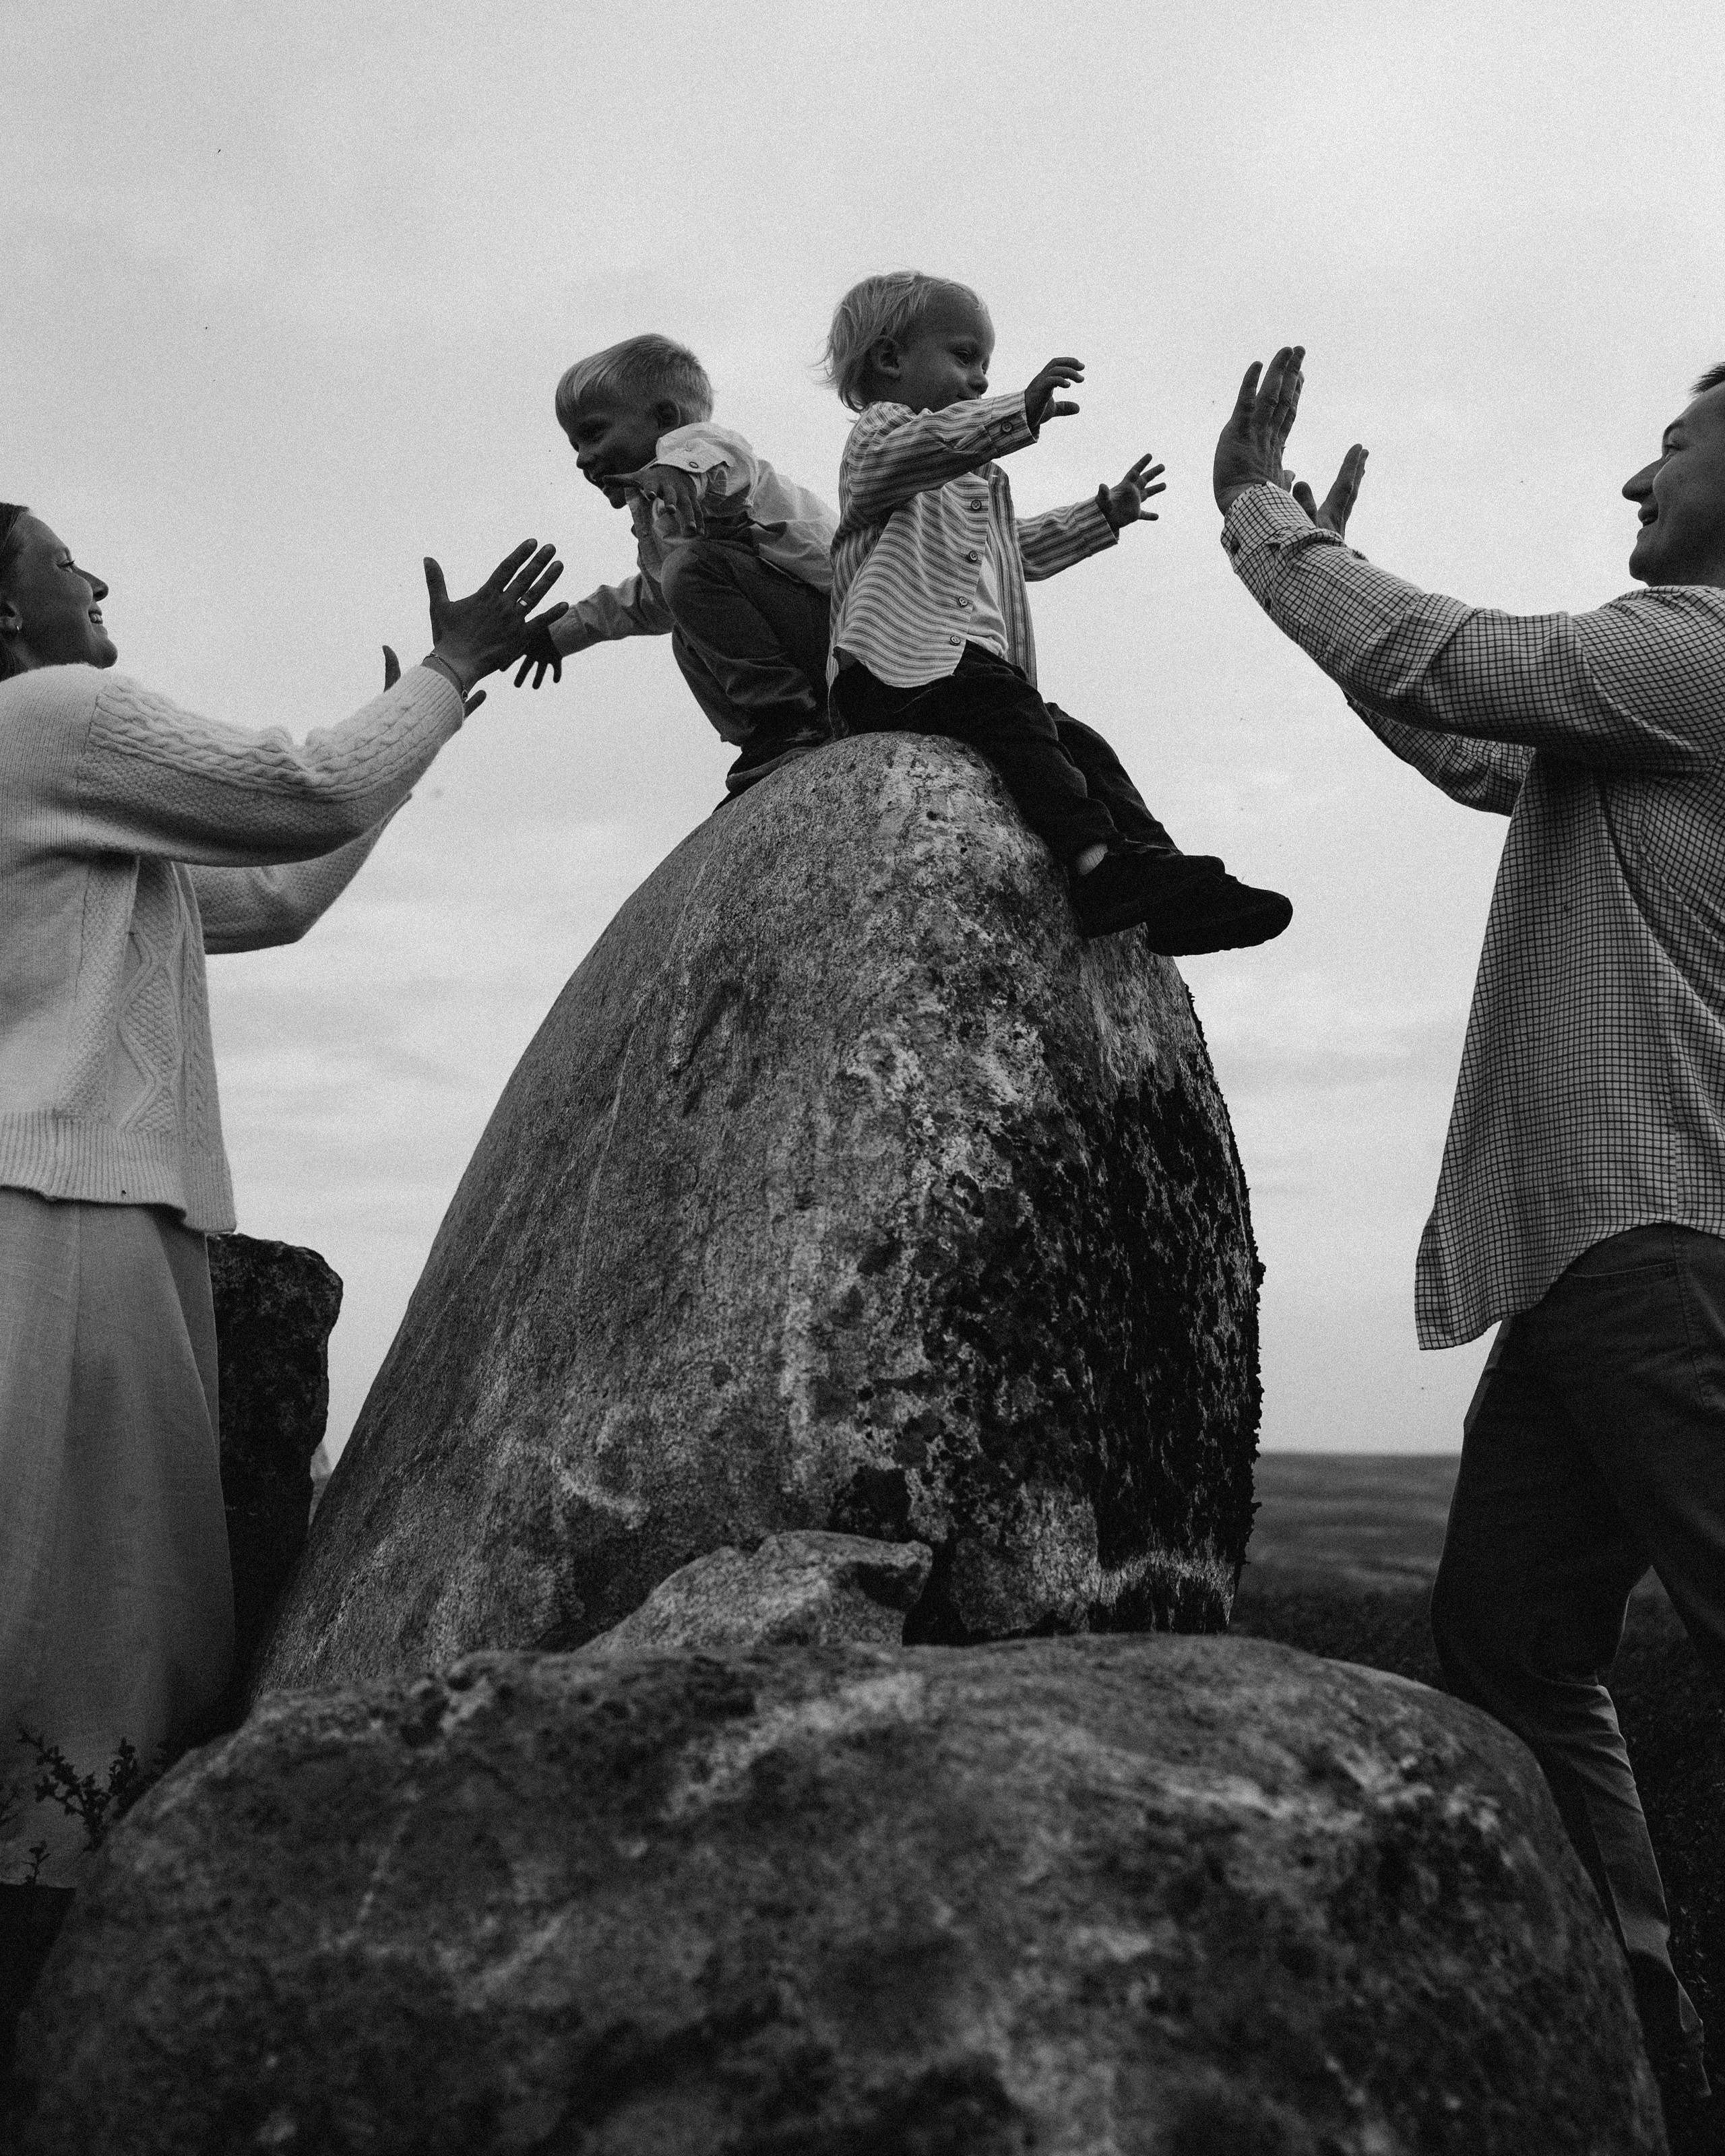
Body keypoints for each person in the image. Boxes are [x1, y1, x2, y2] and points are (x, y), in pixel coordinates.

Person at [1212, 346, 1725, 2120]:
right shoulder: (1649, 707)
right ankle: (1645, 2046)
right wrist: (1339, 603)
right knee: (1513, 1640)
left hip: (1666, 1246)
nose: (1636, 483)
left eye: (1673, 448)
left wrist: (1262, 515)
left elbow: (1433, 649)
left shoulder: (1701, 656)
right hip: (1592, 1260)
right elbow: (1468, 743)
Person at [0, 504, 565, 1898]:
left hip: (76, 1195)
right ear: (11, 615)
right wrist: (446, 671)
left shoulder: (69, 804)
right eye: (71, 563)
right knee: (91, 1633)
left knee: (80, 1615)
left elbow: (270, 889)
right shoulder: (53, 716)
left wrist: (412, 730)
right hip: (60, 1200)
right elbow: (302, 789)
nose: (98, 578)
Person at [820, 270, 1292, 950]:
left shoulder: (977, 481)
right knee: (1014, 714)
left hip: (967, 672)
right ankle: (1098, 865)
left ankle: (1161, 877)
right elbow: (918, 449)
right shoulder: (880, 440)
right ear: (890, 359)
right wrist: (1015, 412)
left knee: (1077, 741)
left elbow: (1019, 551)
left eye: (986, 365)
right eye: (963, 357)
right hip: (890, 672)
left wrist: (1100, 516)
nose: (980, 378)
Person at [516, 333, 836, 798]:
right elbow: (649, 601)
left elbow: (723, 461)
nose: (583, 459)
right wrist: (555, 635)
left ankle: (789, 720)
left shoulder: (702, 453)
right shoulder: (664, 517)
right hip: (809, 641)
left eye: (594, 433)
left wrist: (680, 469)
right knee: (682, 612)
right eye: (574, 446)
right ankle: (768, 740)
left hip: (840, 632)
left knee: (689, 571)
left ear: (665, 419)